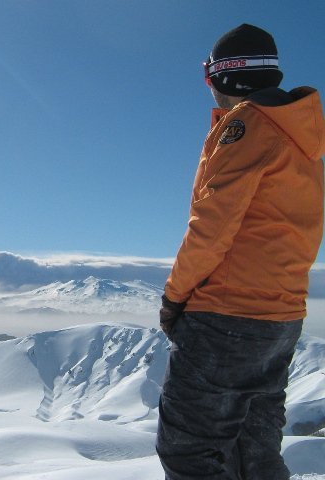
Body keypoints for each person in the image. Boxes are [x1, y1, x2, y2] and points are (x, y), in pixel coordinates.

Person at [156, 24, 325, 479]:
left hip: (226, 316)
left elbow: (212, 226)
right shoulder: (300, 137)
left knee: (190, 452)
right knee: (254, 449)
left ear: (223, 76)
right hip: (281, 318)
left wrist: (174, 298)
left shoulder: (247, 127)